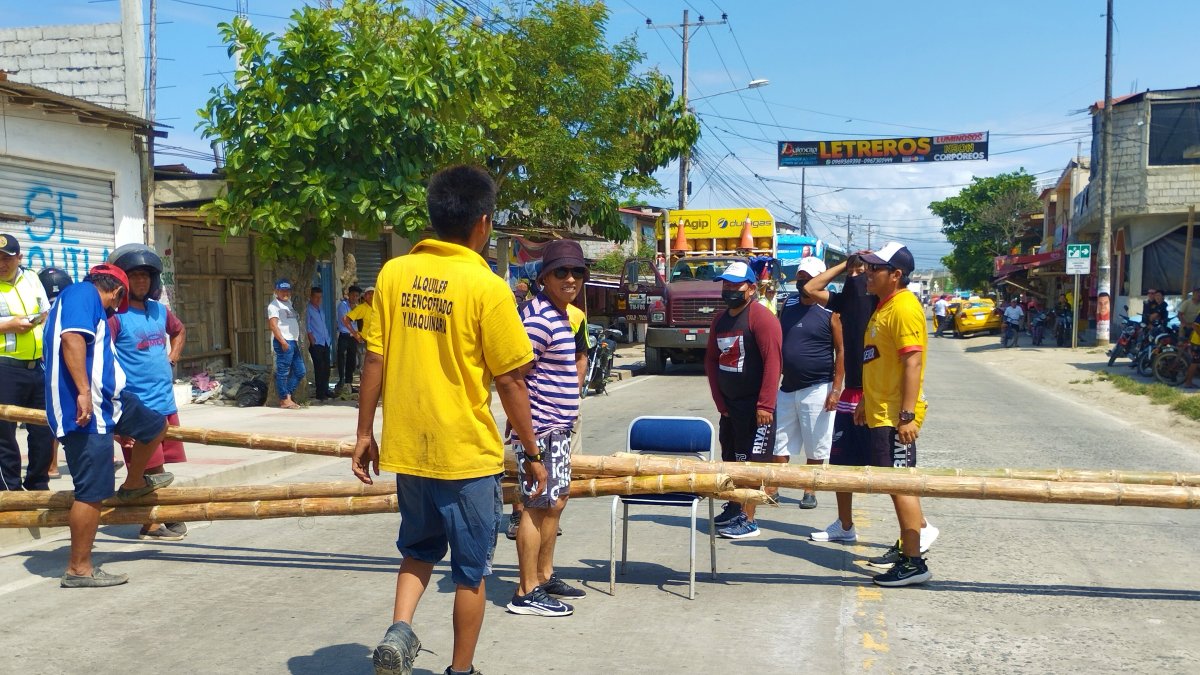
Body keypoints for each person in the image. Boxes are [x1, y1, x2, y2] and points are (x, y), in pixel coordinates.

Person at [350, 165, 540, 675]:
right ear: (482, 223)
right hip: (464, 456)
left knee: (416, 550)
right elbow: (511, 382)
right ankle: (460, 670)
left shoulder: (393, 274)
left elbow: (374, 360)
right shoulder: (487, 287)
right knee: (470, 573)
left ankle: (400, 629)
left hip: (409, 449)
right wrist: (532, 452)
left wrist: (365, 433)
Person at [44, 264, 172, 587]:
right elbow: (72, 339)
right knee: (92, 492)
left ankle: (132, 484)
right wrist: (84, 393)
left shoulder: (87, 303)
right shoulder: (81, 294)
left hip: (110, 403)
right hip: (87, 412)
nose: (117, 307)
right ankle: (79, 569)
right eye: (119, 301)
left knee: (156, 426)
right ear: (116, 290)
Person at [508, 239, 588, 618]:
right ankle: (526, 590)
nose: (570, 278)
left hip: (556, 428)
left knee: (554, 503)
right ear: (544, 277)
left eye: (577, 271)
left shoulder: (561, 313)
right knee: (535, 506)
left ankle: (544, 574)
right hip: (540, 431)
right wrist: (529, 445)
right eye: (562, 272)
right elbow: (513, 378)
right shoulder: (539, 318)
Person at [855, 242, 934, 587]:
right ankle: (907, 548)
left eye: (875, 269)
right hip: (880, 413)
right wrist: (864, 403)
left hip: (895, 418)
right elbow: (877, 359)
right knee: (894, 485)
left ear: (896, 275)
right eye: (868, 267)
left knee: (902, 486)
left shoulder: (904, 307)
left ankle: (914, 563)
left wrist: (907, 416)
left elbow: (912, 362)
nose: (868, 274)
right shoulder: (884, 306)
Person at [108, 244, 189, 541]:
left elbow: (179, 331)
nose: (140, 281)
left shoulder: (160, 310)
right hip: (137, 406)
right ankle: (152, 523)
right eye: (134, 276)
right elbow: (103, 355)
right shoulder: (116, 315)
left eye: (145, 276)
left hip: (164, 402)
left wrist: (173, 356)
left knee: (158, 467)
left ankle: (155, 517)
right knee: (147, 468)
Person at [704, 260, 782, 539]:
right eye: (726, 284)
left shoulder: (761, 318)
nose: (729, 290)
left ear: (751, 288)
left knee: (753, 464)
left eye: (735, 285)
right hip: (731, 407)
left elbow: (774, 362)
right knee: (732, 460)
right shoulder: (720, 320)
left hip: (756, 408)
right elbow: (712, 361)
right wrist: (720, 403)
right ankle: (735, 506)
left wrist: (765, 405)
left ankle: (749, 519)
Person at [773, 256, 842, 510]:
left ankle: (809, 489)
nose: (803, 281)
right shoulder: (788, 303)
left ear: (821, 280)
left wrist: (836, 389)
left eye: (810, 277)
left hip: (818, 387)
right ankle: (774, 486)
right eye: (801, 276)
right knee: (780, 442)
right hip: (787, 386)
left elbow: (841, 350)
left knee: (816, 443)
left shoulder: (831, 310)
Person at [0, 234, 54, 493]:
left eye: (7, 258)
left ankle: (37, 484)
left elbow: (46, 312)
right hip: (4, 367)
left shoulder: (31, 278)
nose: (2, 264)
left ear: (19, 258)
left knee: (44, 429)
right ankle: (8, 487)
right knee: (4, 433)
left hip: (37, 367)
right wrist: (8, 325)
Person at [39, 267, 74, 479]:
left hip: (54, 367)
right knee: (56, 417)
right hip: (53, 369)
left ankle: (52, 466)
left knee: (56, 416)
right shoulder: (63, 308)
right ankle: (51, 465)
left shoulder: (46, 309)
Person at [267, 279, 305, 409]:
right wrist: (282, 341)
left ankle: (287, 395)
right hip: (284, 341)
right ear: (276, 291)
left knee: (300, 371)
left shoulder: (288, 303)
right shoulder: (274, 306)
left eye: (287, 290)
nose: (285, 292)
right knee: (283, 372)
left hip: (293, 341)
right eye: (282, 290)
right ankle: (284, 399)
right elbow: (273, 325)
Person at [334, 285, 362, 395]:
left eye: (357, 296)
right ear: (349, 295)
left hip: (353, 337)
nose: (355, 298)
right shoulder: (343, 305)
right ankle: (341, 381)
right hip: (345, 335)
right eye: (353, 295)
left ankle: (349, 383)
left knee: (352, 360)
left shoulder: (358, 307)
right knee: (341, 358)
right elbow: (346, 321)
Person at [306, 287, 332, 402]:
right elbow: (308, 326)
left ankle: (326, 389)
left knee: (327, 368)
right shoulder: (308, 309)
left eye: (320, 297)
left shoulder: (320, 309)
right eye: (316, 297)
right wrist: (312, 340)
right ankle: (320, 392)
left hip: (325, 341)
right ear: (311, 297)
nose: (318, 299)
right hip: (316, 342)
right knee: (319, 368)